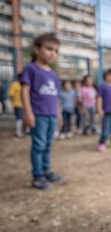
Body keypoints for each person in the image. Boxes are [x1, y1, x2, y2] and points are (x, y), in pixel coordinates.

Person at [20, 34, 64, 190]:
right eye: (49, 49)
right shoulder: (30, 69)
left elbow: (56, 97)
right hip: (38, 115)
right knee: (38, 144)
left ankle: (46, 171)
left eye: (56, 50)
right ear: (37, 49)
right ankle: (37, 175)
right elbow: (25, 91)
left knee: (48, 144)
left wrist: (58, 115)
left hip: (52, 115)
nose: (53, 53)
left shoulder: (54, 74)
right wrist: (28, 112)